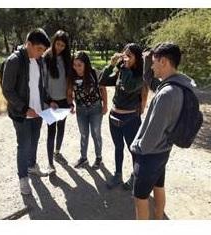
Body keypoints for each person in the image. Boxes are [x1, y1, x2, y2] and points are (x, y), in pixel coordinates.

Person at [130, 42, 195, 219]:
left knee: (140, 197)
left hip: (150, 154)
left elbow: (153, 132)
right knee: (159, 186)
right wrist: (146, 61)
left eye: (154, 61)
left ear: (164, 61)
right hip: (163, 150)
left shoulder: (167, 93)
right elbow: (150, 80)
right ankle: (158, 219)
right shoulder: (179, 84)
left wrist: (137, 148)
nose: (152, 65)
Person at [1, 28, 53, 195]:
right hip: (21, 114)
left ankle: (32, 166)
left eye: (43, 51)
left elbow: (40, 86)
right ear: (28, 44)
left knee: (35, 140)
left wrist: (48, 101)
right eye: (39, 49)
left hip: (38, 112)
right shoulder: (14, 60)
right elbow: (7, 90)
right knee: (23, 145)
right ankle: (23, 178)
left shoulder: (39, 61)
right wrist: (24, 109)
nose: (41, 53)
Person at [99, 43, 148, 190]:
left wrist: (124, 68)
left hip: (130, 119)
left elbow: (128, 87)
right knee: (118, 147)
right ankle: (118, 175)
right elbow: (102, 81)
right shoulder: (121, 70)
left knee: (133, 149)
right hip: (114, 116)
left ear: (137, 59)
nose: (125, 57)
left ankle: (135, 177)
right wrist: (111, 65)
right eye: (124, 54)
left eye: (129, 55)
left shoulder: (140, 77)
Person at [67, 51, 108, 169]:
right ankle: (83, 158)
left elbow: (103, 89)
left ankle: (98, 158)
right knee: (84, 134)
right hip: (81, 110)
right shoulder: (72, 76)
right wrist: (71, 104)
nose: (76, 68)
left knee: (96, 133)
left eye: (79, 65)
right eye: (74, 65)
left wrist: (105, 105)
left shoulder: (94, 73)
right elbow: (69, 92)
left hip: (96, 108)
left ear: (86, 64)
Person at [43, 30, 72, 175]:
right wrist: (48, 101)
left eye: (63, 45)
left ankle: (57, 152)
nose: (59, 47)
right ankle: (50, 163)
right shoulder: (46, 58)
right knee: (51, 131)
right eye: (58, 44)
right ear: (53, 41)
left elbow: (69, 81)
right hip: (50, 102)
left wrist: (70, 99)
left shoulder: (67, 59)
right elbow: (42, 82)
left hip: (64, 101)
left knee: (61, 127)